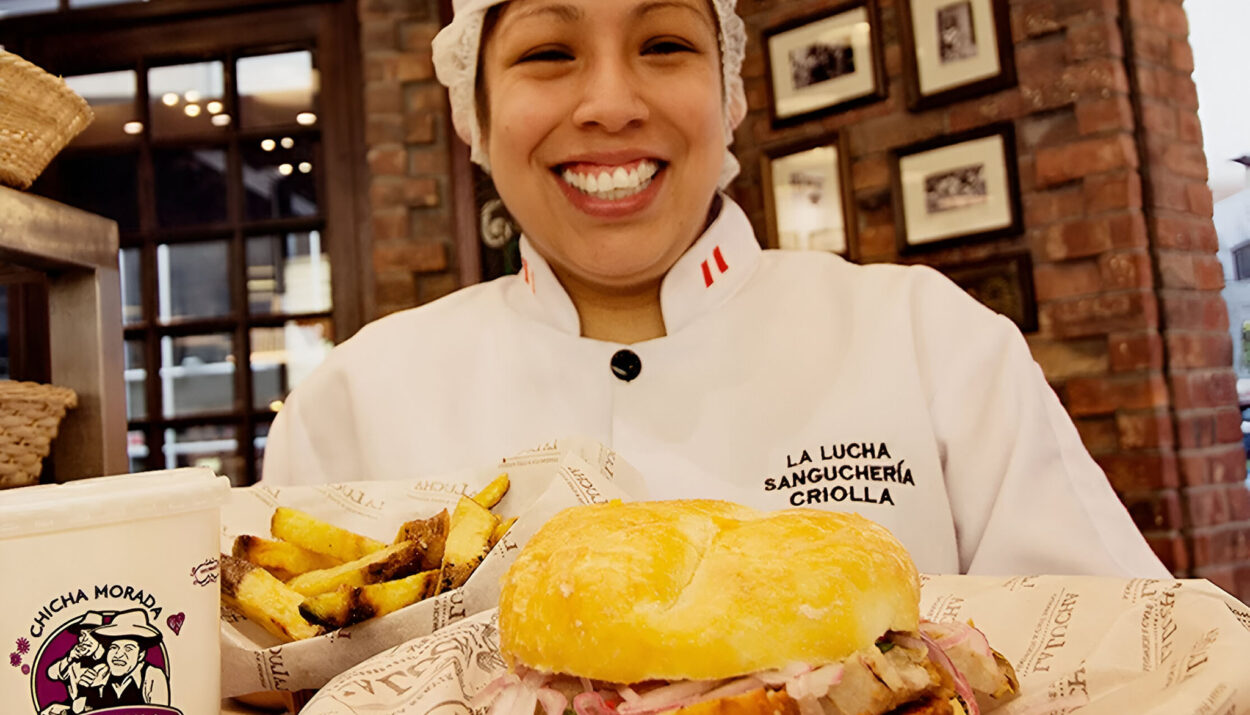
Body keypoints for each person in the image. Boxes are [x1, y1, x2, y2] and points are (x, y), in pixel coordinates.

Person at [262, 0, 1168, 578]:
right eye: (547, 52)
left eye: (663, 43)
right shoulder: (353, 404)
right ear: (476, 115)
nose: (611, 101)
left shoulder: (932, 342)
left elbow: (1125, 658)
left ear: (728, 92)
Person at [82, 610, 170, 709]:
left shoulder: (152, 676)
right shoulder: (101, 675)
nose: (118, 655)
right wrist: (90, 691)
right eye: (114, 647)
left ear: (140, 655)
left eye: (128, 648)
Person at [42, 612, 109, 715]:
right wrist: (69, 658)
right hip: (75, 707)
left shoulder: (110, 661)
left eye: (90, 634)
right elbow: (52, 673)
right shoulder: (75, 663)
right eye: (82, 635)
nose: (84, 639)